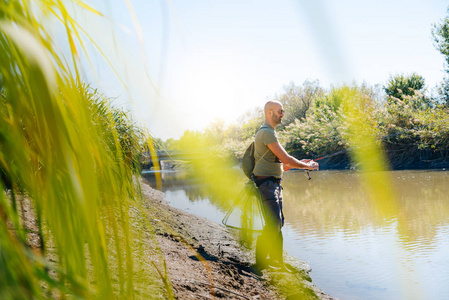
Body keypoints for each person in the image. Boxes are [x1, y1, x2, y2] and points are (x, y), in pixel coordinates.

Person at [253, 100, 319, 271]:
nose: (282, 114)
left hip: (273, 183)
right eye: (280, 111)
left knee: (278, 223)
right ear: (269, 112)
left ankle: (278, 262)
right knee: (273, 223)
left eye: (283, 111)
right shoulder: (267, 132)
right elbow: (287, 159)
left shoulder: (269, 132)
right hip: (266, 184)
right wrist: (308, 166)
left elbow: (280, 165)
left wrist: (299, 164)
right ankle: (259, 264)